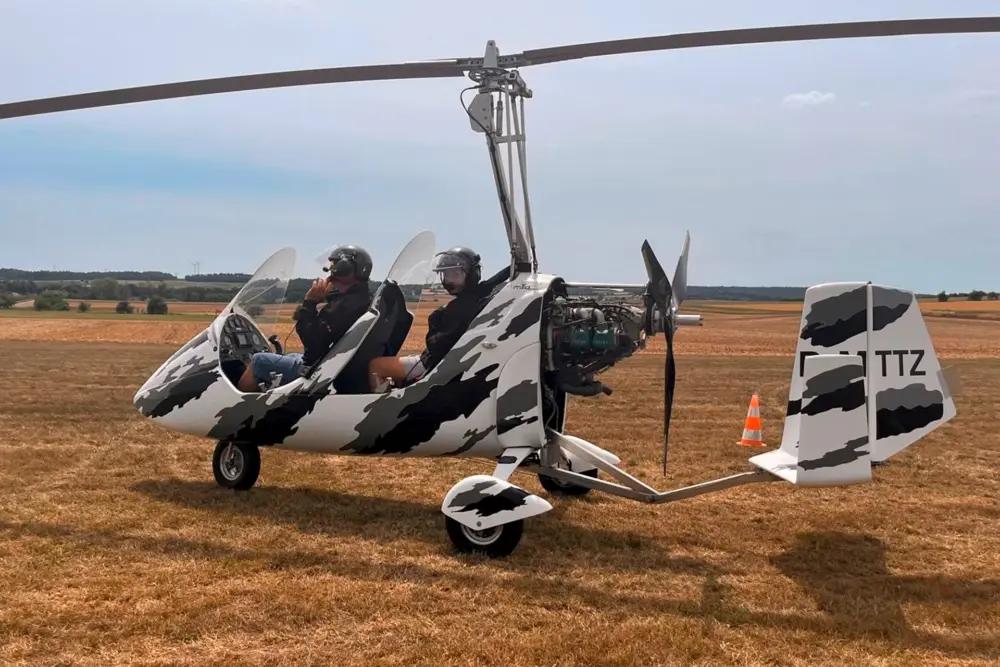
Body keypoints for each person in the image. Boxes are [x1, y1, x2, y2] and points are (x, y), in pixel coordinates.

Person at [367, 246, 508, 390]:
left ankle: (381, 403)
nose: (449, 280)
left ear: (471, 274)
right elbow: (491, 283)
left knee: (376, 366)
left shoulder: (458, 310)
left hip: (434, 365)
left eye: (455, 274)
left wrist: (436, 319)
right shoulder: (477, 296)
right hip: (447, 360)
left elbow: (436, 348)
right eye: (446, 275)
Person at [237, 245, 374, 392]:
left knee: (259, 360)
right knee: (290, 355)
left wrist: (310, 302)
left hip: (316, 370)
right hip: (333, 364)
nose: (330, 270)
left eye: (333, 265)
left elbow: (311, 340)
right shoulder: (361, 299)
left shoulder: (342, 307)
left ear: (343, 268)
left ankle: (238, 405)